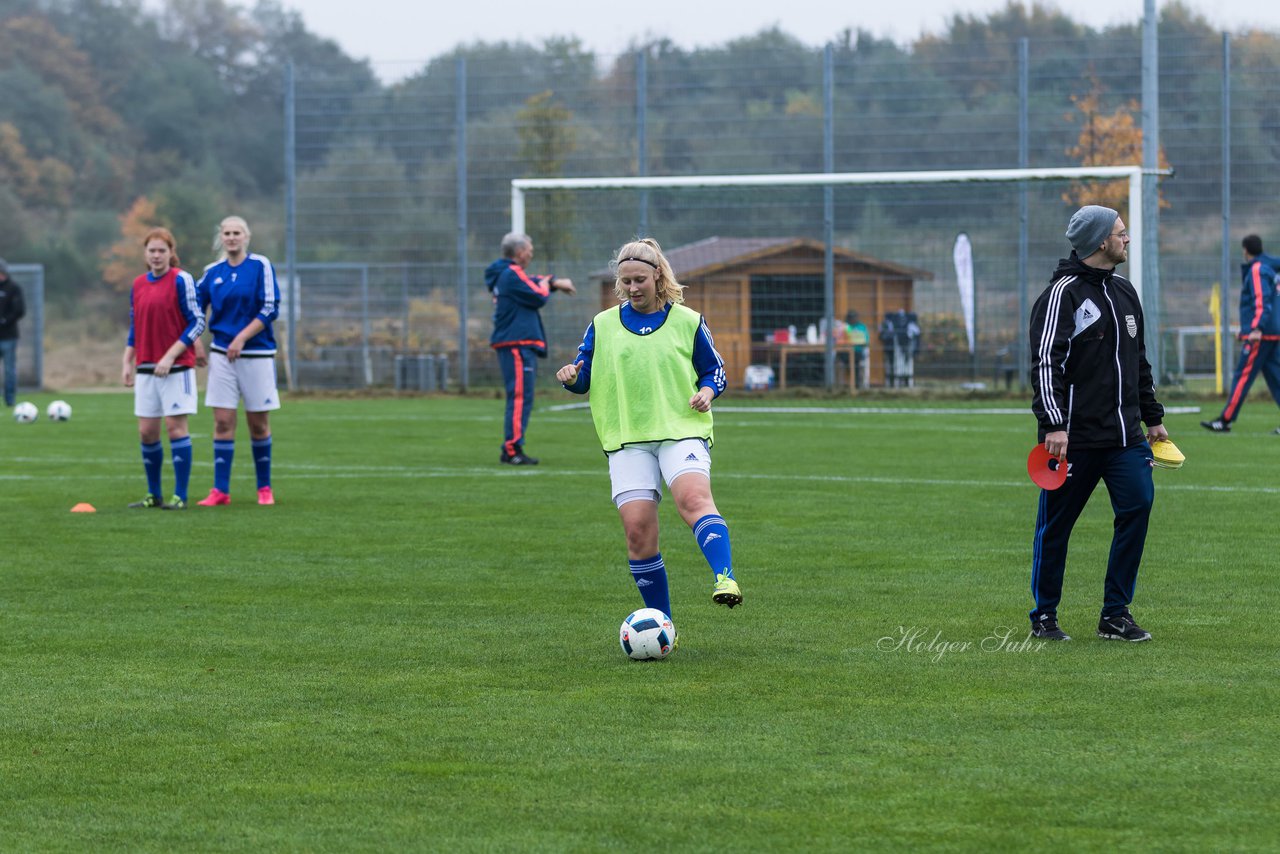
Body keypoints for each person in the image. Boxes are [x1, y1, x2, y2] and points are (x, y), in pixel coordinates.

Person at [556, 237, 741, 628]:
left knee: (693, 500)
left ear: (659, 277)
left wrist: (707, 391)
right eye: (625, 282)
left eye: (639, 279)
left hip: (680, 430)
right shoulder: (602, 325)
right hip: (627, 437)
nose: (632, 288)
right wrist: (571, 377)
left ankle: (725, 577)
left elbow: (715, 370)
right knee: (638, 532)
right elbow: (583, 374)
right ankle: (664, 626)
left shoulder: (688, 321)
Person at [1028, 205, 1167, 643]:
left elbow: (1137, 362)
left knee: (1138, 506)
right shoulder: (1061, 295)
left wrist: (1154, 418)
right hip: (1073, 440)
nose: (1126, 240)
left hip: (1127, 437)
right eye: (1120, 233)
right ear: (1100, 242)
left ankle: (1115, 614)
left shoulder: (1126, 292)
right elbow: (1047, 363)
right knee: (1056, 527)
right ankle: (1044, 615)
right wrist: (1053, 424)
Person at [194, 215, 281, 507]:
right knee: (222, 422)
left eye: (237, 233)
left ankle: (264, 488)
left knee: (258, 424)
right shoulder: (212, 272)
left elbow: (270, 308)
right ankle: (220, 491)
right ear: (221, 237)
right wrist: (195, 341)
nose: (232, 237)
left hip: (256, 355)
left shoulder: (260, 266)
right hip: (221, 356)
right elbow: (192, 307)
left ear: (247, 237)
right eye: (227, 233)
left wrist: (242, 337)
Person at [122, 229, 207, 509]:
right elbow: (135, 325)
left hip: (177, 367)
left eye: (161, 250)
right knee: (147, 432)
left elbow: (197, 322)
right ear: (145, 254)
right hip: (146, 366)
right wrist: (127, 361)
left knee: (175, 428)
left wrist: (171, 356)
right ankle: (153, 494)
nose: (156, 255)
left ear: (171, 252)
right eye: (151, 251)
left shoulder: (182, 280)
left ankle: (180, 496)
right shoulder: (138, 284)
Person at [486, 232, 575, 465]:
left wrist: (552, 282)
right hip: (517, 344)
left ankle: (513, 447)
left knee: (522, 397)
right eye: (529, 249)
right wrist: (549, 285)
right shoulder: (511, 273)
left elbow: (535, 282)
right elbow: (538, 294)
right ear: (519, 252)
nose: (531, 253)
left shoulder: (508, 274)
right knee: (519, 397)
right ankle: (512, 449)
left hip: (516, 344)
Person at [1200, 234, 1280, 433]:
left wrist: (1255, 329)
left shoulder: (1257, 269)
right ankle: (1225, 419)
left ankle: (1225, 420)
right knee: (1277, 378)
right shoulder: (1270, 267)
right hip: (1271, 332)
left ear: (1245, 250)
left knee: (1242, 376)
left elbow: (1261, 301)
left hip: (1261, 334)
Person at [0, 258, 25, 408]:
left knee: (9, 370)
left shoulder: (14, 288)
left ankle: (9, 400)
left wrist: (4, 321)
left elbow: (20, 310)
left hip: (9, 337)